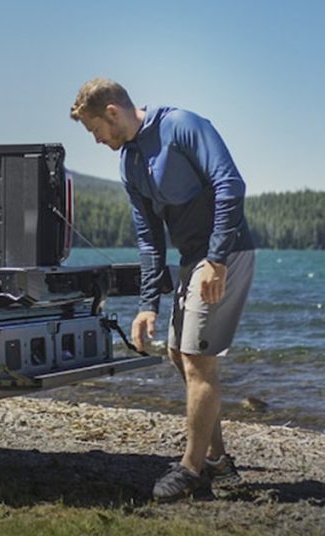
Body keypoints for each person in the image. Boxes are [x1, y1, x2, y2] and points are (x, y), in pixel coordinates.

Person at [70, 79, 256, 502]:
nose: (97, 140)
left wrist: (217, 259)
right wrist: (147, 304)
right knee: (179, 354)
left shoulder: (183, 126)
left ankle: (190, 469)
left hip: (227, 254)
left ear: (112, 112)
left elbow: (230, 185)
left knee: (197, 358)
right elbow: (149, 238)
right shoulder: (129, 163)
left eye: (95, 130)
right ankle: (219, 462)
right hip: (194, 261)